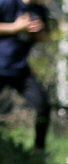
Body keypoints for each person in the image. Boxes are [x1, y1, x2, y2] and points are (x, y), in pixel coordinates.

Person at [0, 0, 50, 151]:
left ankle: (38, 151)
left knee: (43, 106)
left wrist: (38, 32)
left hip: (20, 69)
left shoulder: (39, 10)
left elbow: (45, 37)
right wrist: (15, 27)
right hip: (0, 66)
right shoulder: (6, 3)